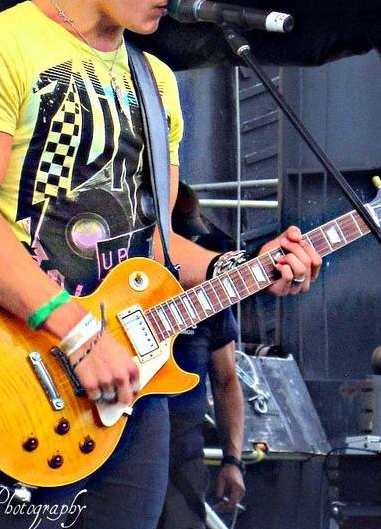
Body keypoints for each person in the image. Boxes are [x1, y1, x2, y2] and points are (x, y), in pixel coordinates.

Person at [0, 0, 321, 528]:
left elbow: (157, 245)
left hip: (131, 389)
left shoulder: (156, 81)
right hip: (23, 370)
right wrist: (79, 333)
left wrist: (243, 267)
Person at [158, 183, 245, 529]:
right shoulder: (119, 286)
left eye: (192, 240)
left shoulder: (208, 297)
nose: (192, 246)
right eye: (183, 240)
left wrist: (233, 460)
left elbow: (226, 381)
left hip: (183, 442)